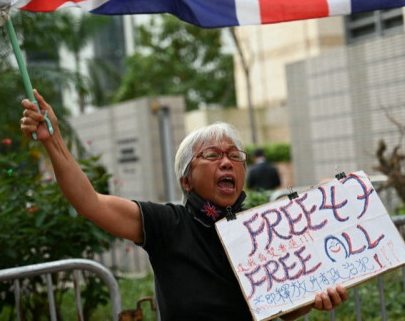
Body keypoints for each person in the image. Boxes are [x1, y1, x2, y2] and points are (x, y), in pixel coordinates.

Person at [20, 89, 348, 320]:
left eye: (235, 156)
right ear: (186, 180)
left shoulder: (263, 230)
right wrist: (54, 141)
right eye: (212, 155)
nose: (227, 162)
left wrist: (312, 299)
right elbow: (89, 202)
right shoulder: (166, 224)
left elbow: (286, 310)